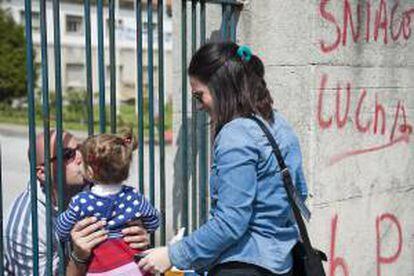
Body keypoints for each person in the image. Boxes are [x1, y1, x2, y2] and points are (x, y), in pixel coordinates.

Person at [138, 42, 308, 275]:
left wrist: (172, 254)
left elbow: (231, 222)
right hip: (282, 262)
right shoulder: (279, 124)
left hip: (244, 265)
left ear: (221, 87)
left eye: (199, 96)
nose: (199, 106)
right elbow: (299, 193)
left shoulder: (235, 135)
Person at [4, 130, 151, 275]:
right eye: (68, 155)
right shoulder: (25, 226)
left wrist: (138, 239)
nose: (81, 157)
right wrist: (79, 257)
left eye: (80, 148)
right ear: (43, 173)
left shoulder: (97, 185)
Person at [56, 129, 159, 275]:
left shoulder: (82, 201)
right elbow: (154, 221)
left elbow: (61, 230)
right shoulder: (134, 196)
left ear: (90, 172)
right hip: (134, 266)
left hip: (101, 268)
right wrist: (142, 226)